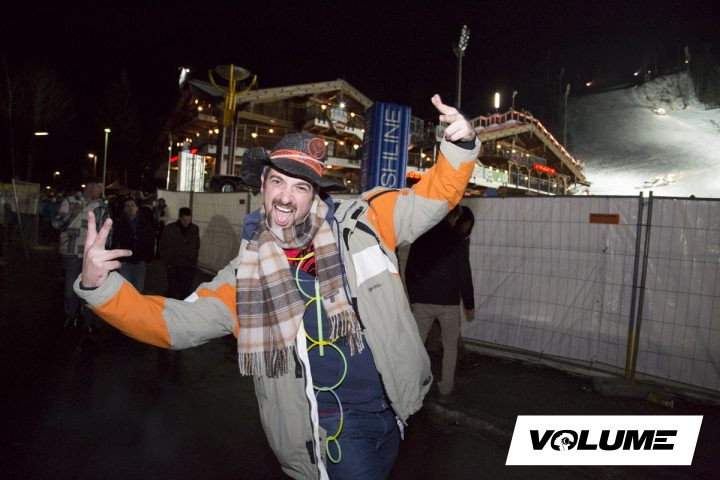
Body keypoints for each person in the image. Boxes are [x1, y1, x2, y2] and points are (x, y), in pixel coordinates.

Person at [74, 94, 479, 480]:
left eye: (300, 187)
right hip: (332, 431)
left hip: (395, 413)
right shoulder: (245, 278)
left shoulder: (366, 223)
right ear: (262, 185)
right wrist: (101, 289)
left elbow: (431, 198)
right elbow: (175, 324)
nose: (286, 197)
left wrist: (459, 147)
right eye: (278, 182)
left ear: (315, 194)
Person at [405, 204, 475, 400]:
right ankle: (446, 388)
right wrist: (469, 304)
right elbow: (464, 275)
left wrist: (413, 297)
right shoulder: (458, 240)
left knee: (417, 345)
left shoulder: (421, 237)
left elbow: (410, 270)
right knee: (450, 347)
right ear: (453, 218)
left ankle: (413, 386)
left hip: (423, 301)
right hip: (449, 303)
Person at [53, 177, 108, 331]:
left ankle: (88, 321)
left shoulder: (101, 206)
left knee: (90, 290)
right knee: (70, 289)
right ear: (90, 186)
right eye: (99, 187)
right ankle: (71, 316)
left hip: (92, 256)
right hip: (72, 252)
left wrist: (103, 252)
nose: (101, 190)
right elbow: (56, 224)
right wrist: (72, 213)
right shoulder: (70, 201)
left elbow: (106, 231)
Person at [111, 197, 155, 293]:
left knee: (138, 288)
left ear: (137, 208)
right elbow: (115, 241)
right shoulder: (119, 223)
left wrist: (148, 258)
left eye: (132, 205)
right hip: (125, 261)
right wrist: (116, 258)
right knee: (125, 288)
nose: (130, 208)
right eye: (127, 206)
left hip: (140, 261)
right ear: (124, 209)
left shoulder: (145, 222)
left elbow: (151, 240)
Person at [158, 207, 200, 299]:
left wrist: (193, 263)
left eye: (189, 220)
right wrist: (168, 264)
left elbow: (197, 246)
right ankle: (169, 306)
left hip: (188, 265)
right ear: (179, 218)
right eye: (184, 220)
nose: (187, 222)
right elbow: (162, 246)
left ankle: (181, 307)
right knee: (173, 290)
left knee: (185, 292)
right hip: (173, 265)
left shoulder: (194, 229)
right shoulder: (169, 229)